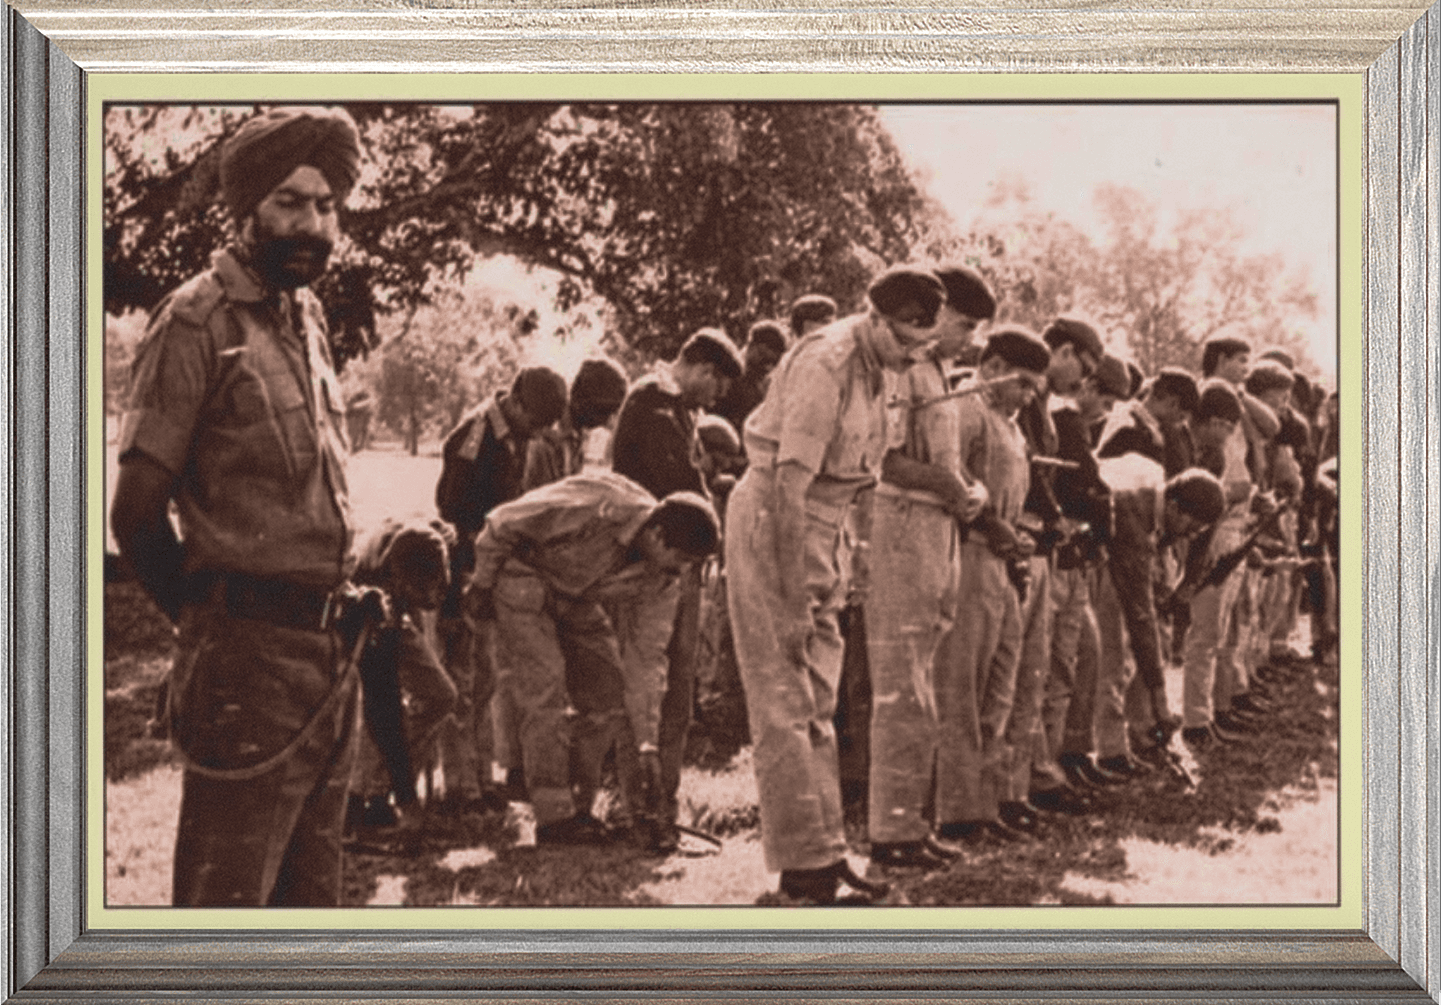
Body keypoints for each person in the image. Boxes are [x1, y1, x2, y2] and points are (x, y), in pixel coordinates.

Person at [110, 105, 365, 906]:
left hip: (330, 657)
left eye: (326, 207)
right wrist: (209, 629)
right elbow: (137, 516)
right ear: (247, 206)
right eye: (290, 202)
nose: (312, 224)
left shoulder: (309, 319)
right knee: (224, 922)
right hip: (244, 662)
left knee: (308, 912)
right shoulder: (194, 323)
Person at [727, 265, 946, 903]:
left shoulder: (885, 370)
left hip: (828, 528)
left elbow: (863, 479)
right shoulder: (827, 363)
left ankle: (826, 852)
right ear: (875, 318)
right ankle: (803, 867)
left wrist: (858, 562)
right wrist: (794, 596)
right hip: (777, 521)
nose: (911, 358)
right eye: (904, 340)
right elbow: (790, 490)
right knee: (783, 700)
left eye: (921, 348)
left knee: (818, 701)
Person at [466, 473, 721, 845]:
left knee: (608, 695)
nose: (681, 571)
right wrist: (483, 582)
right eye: (680, 559)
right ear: (657, 535)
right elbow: (502, 521)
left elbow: (646, 659)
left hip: (576, 598)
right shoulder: (598, 504)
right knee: (546, 688)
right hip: (522, 577)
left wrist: (647, 743)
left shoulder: (664, 578)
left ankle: (579, 809)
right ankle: (554, 818)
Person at [865, 264, 995, 869]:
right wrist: (948, 483)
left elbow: (947, 465)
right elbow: (885, 460)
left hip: (939, 530)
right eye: (964, 324)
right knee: (901, 687)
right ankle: (890, 831)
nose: (969, 338)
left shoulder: (943, 374)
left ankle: (914, 822)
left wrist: (970, 492)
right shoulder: (903, 370)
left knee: (926, 688)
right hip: (903, 527)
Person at [610, 327, 744, 851]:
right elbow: (677, 486)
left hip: (680, 565)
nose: (715, 401)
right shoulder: (653, 401)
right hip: (655, 566)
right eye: (716, 387)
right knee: (647, 688)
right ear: (703, 369)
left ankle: (662, 803)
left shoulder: (681, 411)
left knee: (678, 692)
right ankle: (640, 808)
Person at [932, 327, 1051, 844]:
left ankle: (988, 799)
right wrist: (992, 528)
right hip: (971, 554)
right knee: (963, 683)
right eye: (1021, 383)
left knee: (1000, 687)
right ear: (994, 365)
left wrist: (1017, 536)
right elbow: (952, 485)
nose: (1027, 396)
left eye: (1033, 389)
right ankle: (957, 809)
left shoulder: (1011, 424)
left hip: (1004, 560)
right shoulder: (966, 410)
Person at [433, 365, 568, 814]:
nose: (538, 433)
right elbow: (454, 513)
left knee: (485, 678)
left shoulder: (513, 437)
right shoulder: (477, 436)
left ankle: (481, 777)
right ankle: (459, 785)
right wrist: (463, 587)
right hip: (465, 568)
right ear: (517, 402)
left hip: (488, 568)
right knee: (461, 680)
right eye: (536, 421)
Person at [1002, 317, 1105, 834]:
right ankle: (1011, 785)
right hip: (1014, 540)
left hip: (1042, 542)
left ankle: (1024, 782)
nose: (1081, 383)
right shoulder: (1023, 398)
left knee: (1033, 673)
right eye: (1081, 369)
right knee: (1011, 673)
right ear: (1062, 352)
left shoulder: (1047, 406)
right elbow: (1024, 471)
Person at [347, 519, 458, 831]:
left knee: (441, 695)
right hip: (367, 613)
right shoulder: (370, 583)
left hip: (396, 599)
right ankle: (360, 797)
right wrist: (409, 801)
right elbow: (384, 703)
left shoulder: (434, 547)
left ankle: (378, 787)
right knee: (376, 711)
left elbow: (439, 589)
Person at [521, 358, 630, 492]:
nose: (608, 421)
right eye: (606, 412)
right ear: (591, 404)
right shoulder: (548, 436)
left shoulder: (576, 436)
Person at [714, 320, 788, 436]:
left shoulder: (763, 389)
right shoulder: (725, 376)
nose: (767, 367)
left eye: (773, 363)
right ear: (750, 345)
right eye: (763, 357)